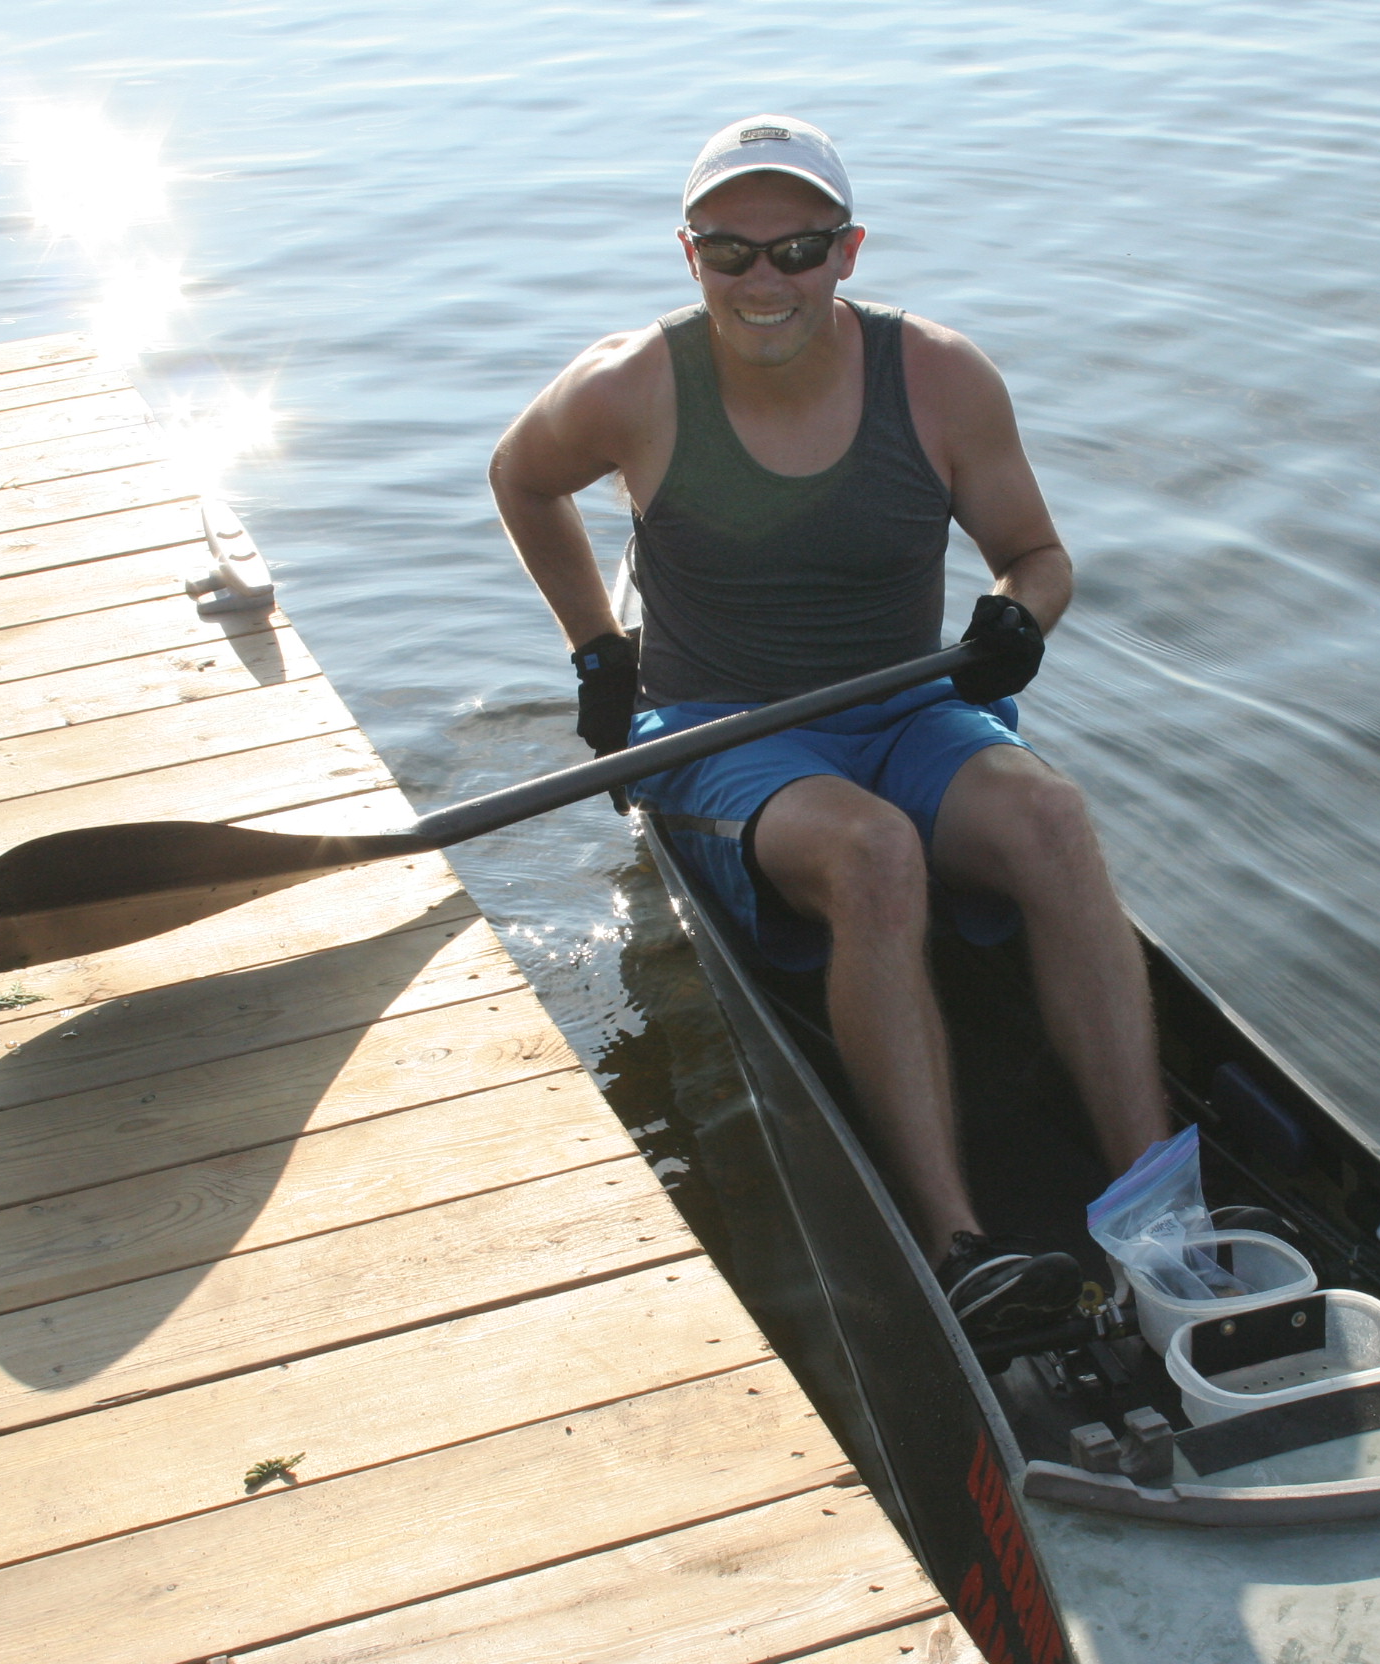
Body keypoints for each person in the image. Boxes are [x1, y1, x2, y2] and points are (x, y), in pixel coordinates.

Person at [489, 114, 1171, 1341]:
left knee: (1058, 821)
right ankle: (956, 1239)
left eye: (797, 249)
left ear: (848, 251)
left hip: (909, 705)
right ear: (687, 255)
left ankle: (1169, 1211)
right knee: (871, 855)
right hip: (722, 726)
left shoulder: (942, 377)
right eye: (730, 252)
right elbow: (521, 477)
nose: (766, 281)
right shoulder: (631, 384)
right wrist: (598, 648)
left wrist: (1018, 615)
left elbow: (1038, 555)